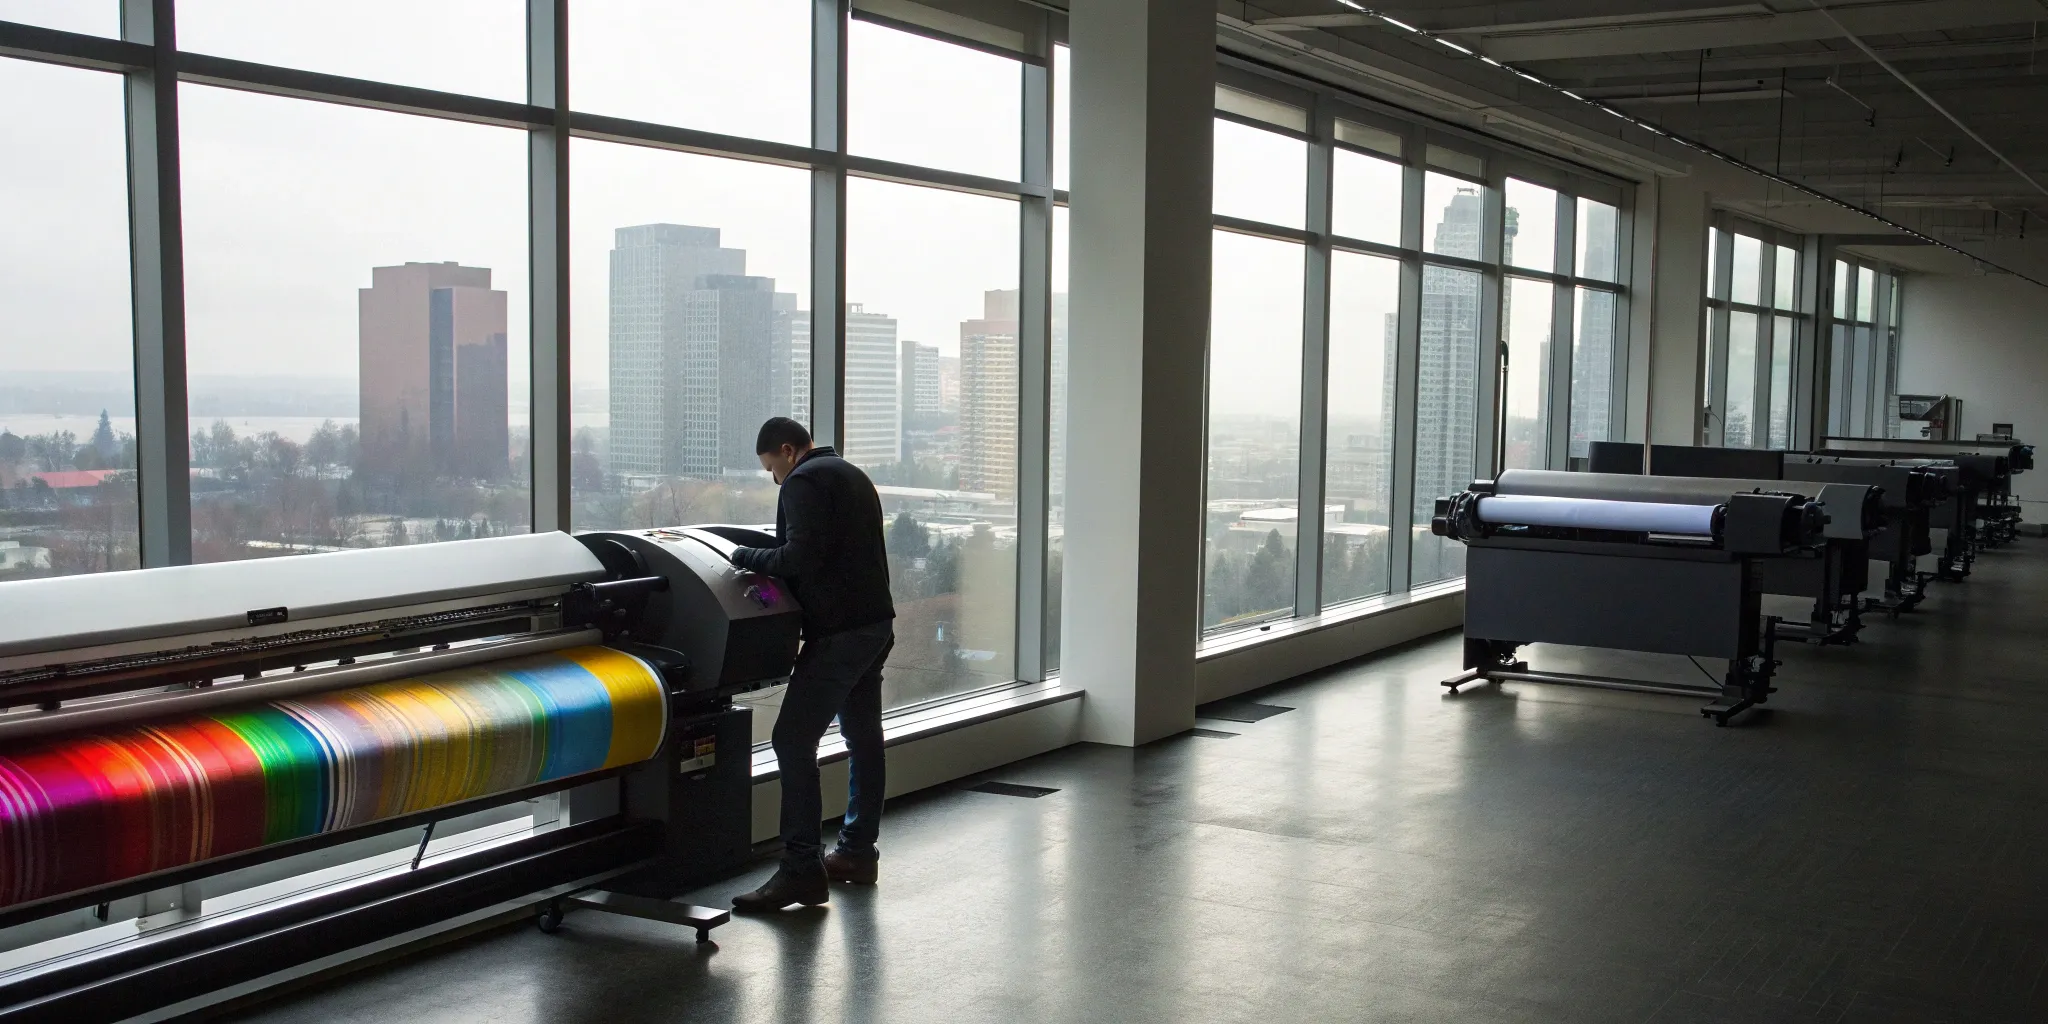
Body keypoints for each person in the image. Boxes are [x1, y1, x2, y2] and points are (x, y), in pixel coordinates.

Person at [728, 417, 896, 912]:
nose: (773, 478)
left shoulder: (802, 481)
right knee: (863, 738)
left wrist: (744, 555)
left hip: (839, 633)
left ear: (787, 450)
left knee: (792, 740)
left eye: (771, 468)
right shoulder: (850, 474)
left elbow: (799, 556)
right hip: (874, 624)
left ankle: (801, 868)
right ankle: (857, 854)